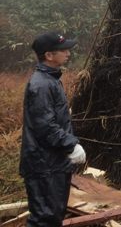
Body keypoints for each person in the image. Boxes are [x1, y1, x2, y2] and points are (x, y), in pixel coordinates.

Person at [20, 32, 86, 227]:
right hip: (43, 165)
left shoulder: (50, 80)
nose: (68, 53)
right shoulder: (41, 84)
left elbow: (46, 117)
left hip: (52, 162)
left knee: (54, 216)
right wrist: (71, 145)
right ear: (49, 55)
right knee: (45, 219)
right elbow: (45, 127)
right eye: (63, 50)